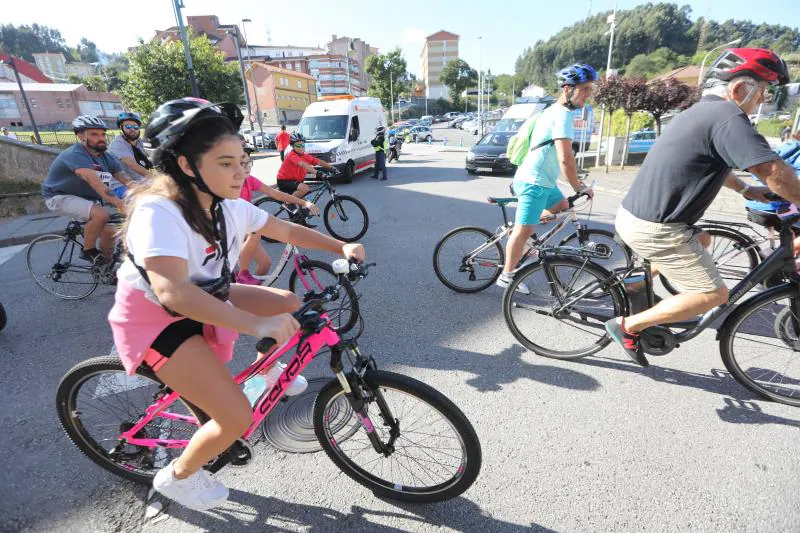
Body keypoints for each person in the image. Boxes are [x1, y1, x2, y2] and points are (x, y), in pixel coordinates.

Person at [108, 97, 365, 511]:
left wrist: (342, 244)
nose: (242, 170)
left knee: (291, 303)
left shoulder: (228, 206)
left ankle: (269, 372)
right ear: (187, 165)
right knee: (235, 418)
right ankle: (177, 478)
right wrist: (253, 325)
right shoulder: (159, 212)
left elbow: (284, 230)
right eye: (226, 162)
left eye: (243, 160)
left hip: (210, 293)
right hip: (156, 319)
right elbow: (173, 292)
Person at [606, 47, 799, 367]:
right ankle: (626, 327)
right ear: (739, 88)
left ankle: (637, 282)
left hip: (639, 217)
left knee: (704, 239)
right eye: (762, 91)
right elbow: (773, 172)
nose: (762, 99)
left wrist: (746, 188)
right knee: (713, 296)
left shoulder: (700, 112)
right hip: (657, 228)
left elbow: (712, 163)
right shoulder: (729, 118)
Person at [496, 63, 596, 293]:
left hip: (544, 182)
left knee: (561, 206)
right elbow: (566, 158)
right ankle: (507, 277)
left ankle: (521, 230)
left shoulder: (552, 110)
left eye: (590, 89)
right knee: (525, 230)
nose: (588, 94)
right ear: (568, 89)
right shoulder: (562, 116)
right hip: (534, 182)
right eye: (585, 89)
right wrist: (579, 186)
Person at [41, 115, 129, 263]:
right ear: (81, 136)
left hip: (87, 199)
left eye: (103, 134)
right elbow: (98, 185)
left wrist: (146, 194)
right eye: (94, 134)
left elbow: (127, 180)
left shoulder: (106, 157)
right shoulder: (76, 154)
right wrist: (121, 204)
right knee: (101, 214)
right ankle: (88, 250)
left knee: (111, 233)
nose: (101, 138)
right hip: (59, 196)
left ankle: (103, 268)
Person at [235, 154, 321, 285]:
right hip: (231, 227)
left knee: (265, 264)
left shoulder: (250, 180)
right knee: (255, 233)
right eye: (242, 164)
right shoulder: (229, 184)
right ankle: (242, 273)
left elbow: (275, 193)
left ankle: (250, 292)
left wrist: (304, 203)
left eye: (248, 163)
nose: (247, 167)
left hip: (245, 223)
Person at [275, 132, 336, 198]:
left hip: (296, 180)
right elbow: (303, 165)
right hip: (284, 181)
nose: (301, 147)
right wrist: (318, 173)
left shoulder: (305, 155)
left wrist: (332, 168)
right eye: (298, 145)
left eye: (303, 145)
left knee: (305, 206)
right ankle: (288, 204)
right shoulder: (291, 155)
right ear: (293, 146)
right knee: (305, 188)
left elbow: (319, 162)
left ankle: (296, 204)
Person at [109, 112, 153, 184]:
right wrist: (155, 178)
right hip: (123, 185)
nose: (132, 129)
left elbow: (152, 156)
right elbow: (132, 165)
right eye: (128, 126)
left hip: (141, 181)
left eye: (136, 127)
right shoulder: (117, 144)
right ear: (121, 128)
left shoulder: (140, 142)